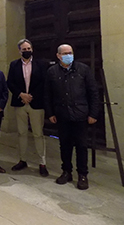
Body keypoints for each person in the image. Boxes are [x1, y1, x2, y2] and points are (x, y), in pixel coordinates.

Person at [44, 44, 99, 190]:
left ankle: (82, 174)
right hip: (62, 115)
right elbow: (47, 95)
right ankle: (66, 171)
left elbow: (93, 92)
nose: (68, 55)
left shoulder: (83, 69)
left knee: (81, 146)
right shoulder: (52, 72)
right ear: (58, 56)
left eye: (70, 52)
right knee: (65, 146)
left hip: (80, 115)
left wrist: (93, 113)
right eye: (65, 53)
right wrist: (50, 113)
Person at [7, 39, 49, 177]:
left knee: (38, 134)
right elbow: (10, 82)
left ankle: (42, 163)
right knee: (21, 133)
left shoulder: (41, 64)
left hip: (35, 103)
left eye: (29, 48)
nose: (27, 51)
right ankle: (22, 160)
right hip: (20, 103)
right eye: (24, 49)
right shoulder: (14, 65)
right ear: (19, 50)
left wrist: (30, 96)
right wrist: (21, 95)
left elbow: (44, 83)